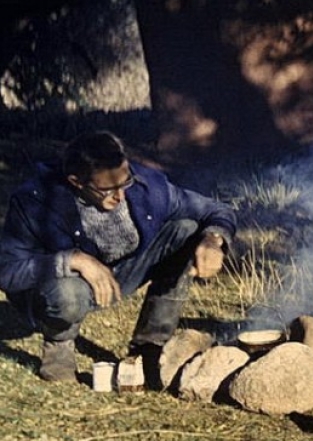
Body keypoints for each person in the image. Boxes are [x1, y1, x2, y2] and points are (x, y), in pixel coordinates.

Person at [0, 130, 237, 383]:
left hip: (120, 272)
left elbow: (215, 209)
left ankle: (150, 347)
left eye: (125, 183)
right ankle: (59, 351)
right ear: (76, 181)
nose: (120, 196)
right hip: (59, 287)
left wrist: (213, 240)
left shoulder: (146, 185)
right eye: (107, 189)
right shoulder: (36, 201)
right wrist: (72, 260)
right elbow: (6, 269)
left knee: (187, 229)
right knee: (69, 292)